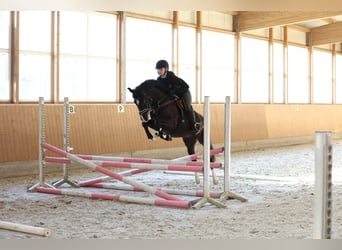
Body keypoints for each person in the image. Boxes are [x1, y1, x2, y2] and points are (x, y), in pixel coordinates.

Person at [155, 59, 200, 132]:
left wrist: (174, 91)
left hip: (184, 93)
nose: (159, 71)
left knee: (187, 107)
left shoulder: (171, 77)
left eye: (161, 69)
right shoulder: (159, 79)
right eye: (158, 69)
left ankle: (193, 125)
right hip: (173, 96)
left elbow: (186, 86)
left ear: (166, 69)